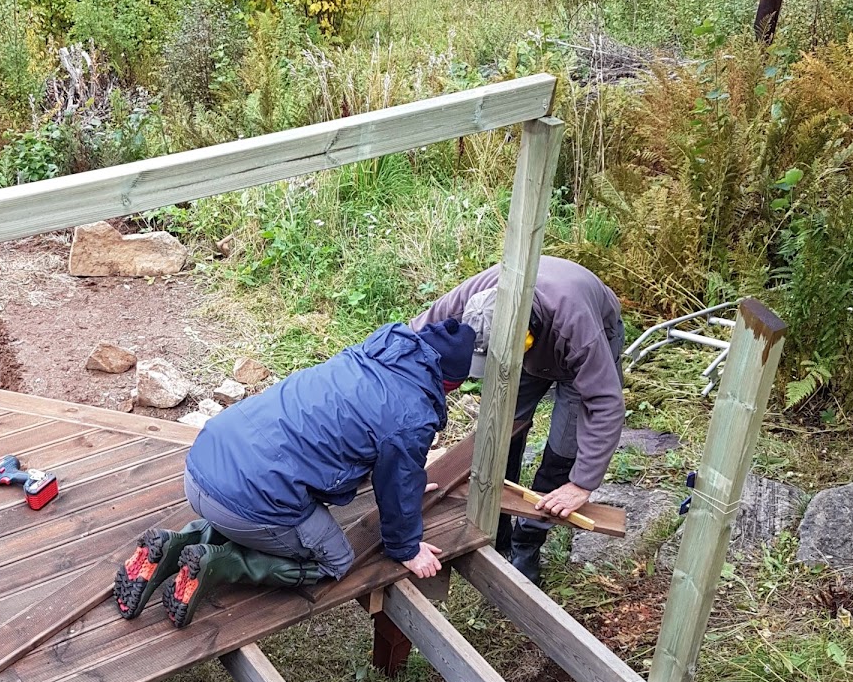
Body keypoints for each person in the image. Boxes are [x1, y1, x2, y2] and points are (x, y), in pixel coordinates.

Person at [113, 317, 477, 629]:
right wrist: (407, 548)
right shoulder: (412, 414)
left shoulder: (365, 358)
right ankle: (220, 565)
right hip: (246, 500)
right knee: (336, 559)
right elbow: (395, 478)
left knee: (266, 506)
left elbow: (372, 451)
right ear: (450, 384)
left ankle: (177, 545)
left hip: (203, 465)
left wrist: (409, 487)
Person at [412, 257, 625, 585]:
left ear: (525, 338)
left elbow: (606, 404)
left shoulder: (580, 330)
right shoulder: (473, 298)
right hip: (526, 352)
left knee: (564, 447)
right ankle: (496, 530)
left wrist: (583, 482)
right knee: (499, 433)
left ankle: (528, 542)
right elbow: (414, 336)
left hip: (579, 343)